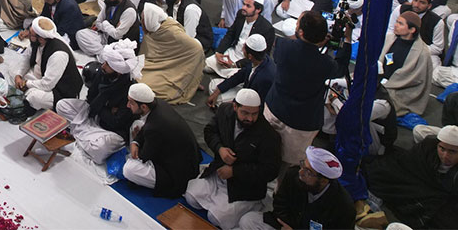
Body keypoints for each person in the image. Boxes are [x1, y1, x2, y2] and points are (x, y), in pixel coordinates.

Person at [185, 88, 281, 229]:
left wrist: (235, 171)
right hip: (218, 172)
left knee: (216, 217)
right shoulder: (224, 111)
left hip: (245, 186)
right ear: (235, 107)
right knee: (191, 197)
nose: (250, 118)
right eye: (245, 113)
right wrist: (219, 148)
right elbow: (209, 131)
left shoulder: (268, 135)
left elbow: (270, 170)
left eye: (254, 114)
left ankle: (251, 205)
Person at [264, 11, 351, 163]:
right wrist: (347, 39)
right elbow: (341, 68)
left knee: (264, 151)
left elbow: (299, 49)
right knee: (290, 163)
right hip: (302, 123)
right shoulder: (325, 64)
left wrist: (315, 43)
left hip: (275, 109)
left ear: (301, 32)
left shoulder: (283, 46)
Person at [366, 125, 458, 229]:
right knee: (381, 171)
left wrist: (435, 195)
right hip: (423, 183)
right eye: (442, 149)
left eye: (452, 151)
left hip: (444, 199)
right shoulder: (428, 146)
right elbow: (410, 164)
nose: (445, 155)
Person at [56, 39, 140, 164]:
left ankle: (77, 132)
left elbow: (116, 122)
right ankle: (85, 136)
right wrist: (106, 107)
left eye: (108, 64)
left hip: (111, 131)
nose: (103, 66)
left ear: (118, 70)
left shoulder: (130, 90)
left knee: (101, 147)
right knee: (62, 105)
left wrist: (100, 104)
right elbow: (90, 97)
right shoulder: (103, 73)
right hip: (94, 115)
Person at [238, 147, 355, 230]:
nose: (301, 172)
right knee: (248, 220)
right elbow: (280, 206)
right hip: (285, 226)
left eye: (308, 172)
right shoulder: (292, 175)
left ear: (323, 180)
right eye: (303, 165)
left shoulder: (344, 207)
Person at [122, 82, 201, 198]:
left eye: (131, 103)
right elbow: (146, 129)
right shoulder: (159, 104)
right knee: (136, 125)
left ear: (143, 106)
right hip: (180, 156)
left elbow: (145, 156)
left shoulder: (154, 128)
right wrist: (136, 142)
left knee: (129, 170)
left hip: (177, 173)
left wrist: (137, 146)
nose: (128, 105)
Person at [139, 3, 204, 104]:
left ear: (149, 20)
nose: (142, 22)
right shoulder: (153, 29)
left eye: (143, 19)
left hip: (173, 68)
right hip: (155, 63)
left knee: (147, 86)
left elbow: (196, 48)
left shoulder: (171, 31)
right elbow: (149, 53)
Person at [14, 16, 84, 110]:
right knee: (14, 72)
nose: (28, 35)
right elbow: (27, 57)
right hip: (43, 74)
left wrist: (26, 84)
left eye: (31, 34)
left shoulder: (58, 54)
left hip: (60, 89)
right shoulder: (36, 41)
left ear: (41, 39)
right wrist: (19, 75)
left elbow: (48, 84)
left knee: (34, 97)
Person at [205, 0, 275, 79]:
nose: (243, 8)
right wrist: (219, 52)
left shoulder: (267, 28)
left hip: (247, 61)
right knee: (206, 66)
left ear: (258, 10)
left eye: (248, 6)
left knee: (233, 79)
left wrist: (235, 64)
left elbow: (261, 57)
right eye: (244, 4)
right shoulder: (241, 14)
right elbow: (230, 34)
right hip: (232, 53)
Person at [380, 10, 434, 116]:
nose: (395, 25)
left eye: (400, 23)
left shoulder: (422, 52)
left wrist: (386, 85)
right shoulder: (389, 38)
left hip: (401, 89)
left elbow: (416, 79)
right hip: (380, 80)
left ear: (412, 29)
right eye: (396, 22)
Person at [76, 0, 140, 58]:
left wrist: (105, 23)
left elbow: (117, 35)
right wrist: (110, 27)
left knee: (118, 55)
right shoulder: (109, 1)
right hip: (106, 36)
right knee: (80, 34)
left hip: (120, 45)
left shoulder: (129, 11)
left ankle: (105, 55)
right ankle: (103, 54)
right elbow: (98, 22)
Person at [208, 34, 276, 107]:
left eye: (244, 48)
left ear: (250, 56)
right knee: (214, 86)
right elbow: (238, 76)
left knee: (221, 101)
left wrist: (235, 104)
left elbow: (256, 102)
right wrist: (218, 91)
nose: (242, 49)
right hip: (246, 88)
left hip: (252, 101)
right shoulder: (255, 60)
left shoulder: (265, 77)